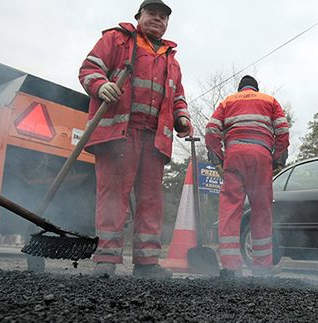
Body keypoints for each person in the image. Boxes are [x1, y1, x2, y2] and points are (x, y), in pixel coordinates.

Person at [79, 0, 193, 278]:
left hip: (154, 140)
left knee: (152, 200)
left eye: (163, 17)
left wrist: (183, 118)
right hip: (120, 133)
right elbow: (88, 69)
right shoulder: (116, 40)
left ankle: (146, 263)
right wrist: (100, 84)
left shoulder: (172, 60)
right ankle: (106, 260)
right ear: (139, 17)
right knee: (113, 197)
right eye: (152, 14)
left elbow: (178, 97)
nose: (158, 19)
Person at [205, 75, 290, 278]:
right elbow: (283, 131)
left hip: (234, 156)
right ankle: (262, 268)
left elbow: (211, 130)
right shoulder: (269, 100)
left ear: (240, 88)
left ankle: (230, 267)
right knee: (261, 210)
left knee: (230, 209)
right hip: (261, 157)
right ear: (256, 88)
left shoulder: (228, 101)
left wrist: (218, 158)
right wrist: (277, 159)